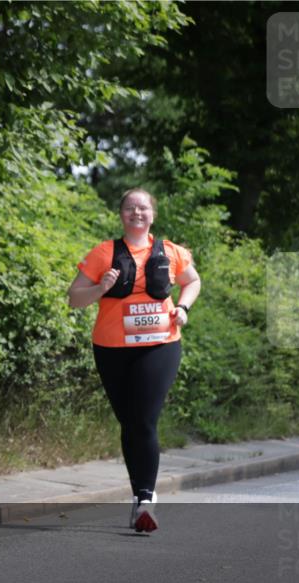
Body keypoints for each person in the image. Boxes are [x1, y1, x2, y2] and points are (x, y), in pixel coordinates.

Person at [67, 188, 201, 533]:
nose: (136, 213)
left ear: (152, 214)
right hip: (112, 348)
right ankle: (139, 495)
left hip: (160, 345)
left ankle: (146, 499)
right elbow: (74, 299)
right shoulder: (103, 253)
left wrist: (183, 308)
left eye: (142, 208)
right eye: (129, 208)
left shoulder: (172, 252)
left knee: (143, 419)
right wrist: (101, 287)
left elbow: (193, 281)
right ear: (121, 215)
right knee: (129, 422)